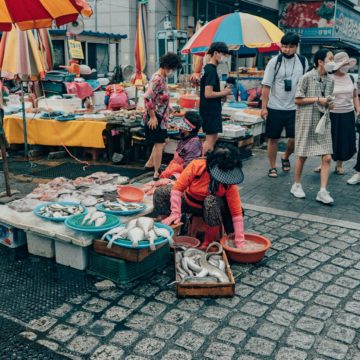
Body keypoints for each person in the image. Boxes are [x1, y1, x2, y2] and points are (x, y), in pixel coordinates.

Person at [153, 143, 245, 250]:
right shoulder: (197, 166)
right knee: (161, 192)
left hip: (213, 208)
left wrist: (239, 241)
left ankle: (208, 241)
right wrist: (175, 212)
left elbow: (236, 213)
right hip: (190, 201)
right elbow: (177, 189)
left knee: (210, 200)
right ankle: (166, 229)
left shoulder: (229, 180)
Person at [290, 48, 335, 204]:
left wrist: (330, 104)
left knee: (327, 157)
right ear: (320, 62)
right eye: (330, 59)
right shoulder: (307, 77)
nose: (332, 62)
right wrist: (317, 99)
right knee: (302, 154)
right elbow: (297, 99)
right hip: (307, 120)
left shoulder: (331, 80)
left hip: (323, 121)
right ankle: (296, 185)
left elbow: (328, 99)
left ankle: (322, 191)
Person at [261, 33, 308, 178]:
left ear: (296, 47)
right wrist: (263, 107)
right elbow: (266, 86)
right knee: (273, 138)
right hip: (275, 107)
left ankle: (285, 156)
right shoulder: (274, 62)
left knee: (294, 139)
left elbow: (306, 83)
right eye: (284, 46)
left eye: (290, 47)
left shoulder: (302, 61)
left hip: (295, 108)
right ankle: (272, 166)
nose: (287, 49)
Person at [143, 52, 182, 180]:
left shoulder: (162, 78)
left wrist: (169, 108)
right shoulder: (157, 79)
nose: (173, 71)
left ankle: (150, 164)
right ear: (166, 66)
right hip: (155, 117)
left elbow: (160, 98)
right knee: (159, 144)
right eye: (172, 68)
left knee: (164, 141)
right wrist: (153, 117)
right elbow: (147, 98)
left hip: (161, 116)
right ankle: (156, 172)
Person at [329, 52, 359, 175]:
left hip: (348, 113)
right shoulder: (329, 78)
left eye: (347, 64)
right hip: (332, 114)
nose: (346, 66)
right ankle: (324, 162)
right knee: (329, 139)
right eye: (343, 64)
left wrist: (358, 108)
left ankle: (339, 164)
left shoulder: (351, 78)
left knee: (344, 139)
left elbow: (355, 95)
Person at [200, 42, 232, 155]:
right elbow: (208, 94)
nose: (226, 58)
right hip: (210, 110)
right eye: (224, 54)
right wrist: (224, 92)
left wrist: (221, 94)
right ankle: (202, 164)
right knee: (210, 140)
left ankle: (207, 164)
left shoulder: (209, 69)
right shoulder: (211, 70)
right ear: (215, 53)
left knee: (213, 138)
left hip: (211, 109)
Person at [159, 111, 202, 179]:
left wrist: (172, 173)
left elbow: (189, 167)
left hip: (183, 177)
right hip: (174, 171)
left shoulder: (194, 144)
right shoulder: (184, 138)